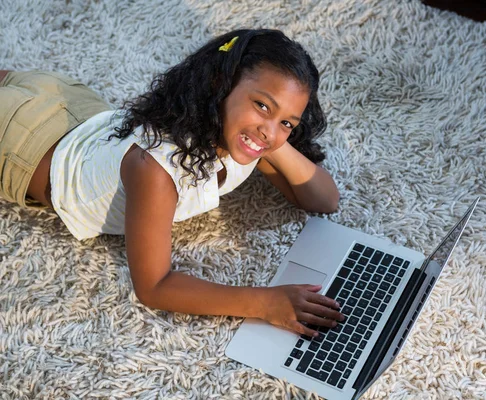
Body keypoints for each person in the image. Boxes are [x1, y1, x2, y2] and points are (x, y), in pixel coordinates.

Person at [0, 29, 344, 337]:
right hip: (22, 143)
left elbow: (324, 200)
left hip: (74, 107)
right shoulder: (156, 167)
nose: (270, 131)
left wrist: (271, 136)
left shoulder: (249, 136)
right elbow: (154, 286)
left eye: (287, 121)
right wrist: (266, 303)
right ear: (218, 85)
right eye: (261, 105)